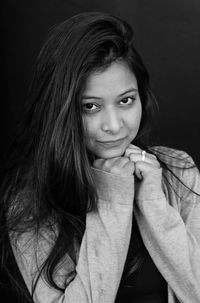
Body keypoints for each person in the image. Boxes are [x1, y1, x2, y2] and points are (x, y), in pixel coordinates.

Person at [0, 11, 200, 303]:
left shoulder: (179, 171)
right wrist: (112, 201)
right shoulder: (30, 200)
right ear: (61, 111)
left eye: (126, 100)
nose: (115, 125)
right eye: (90, 107)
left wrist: (153, 202)